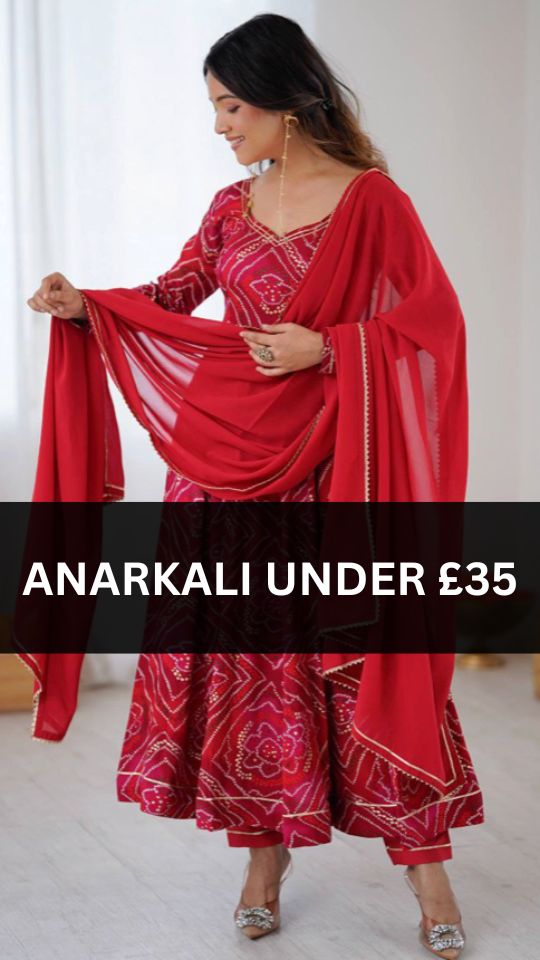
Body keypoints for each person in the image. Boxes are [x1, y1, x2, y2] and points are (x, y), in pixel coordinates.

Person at [25, 13, 483, 958]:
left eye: (232, 106)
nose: (221, 126)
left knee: (361, 663)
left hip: (331, 475)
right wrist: (87, 306)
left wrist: (333, 348)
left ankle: (427, 870)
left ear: (286, 101)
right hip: (222, 474)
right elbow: (173, 295)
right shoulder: (230, 207)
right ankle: (262, 865)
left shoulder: (373, 202)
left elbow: (434, 325)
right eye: (216, 108)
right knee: (244, 673)